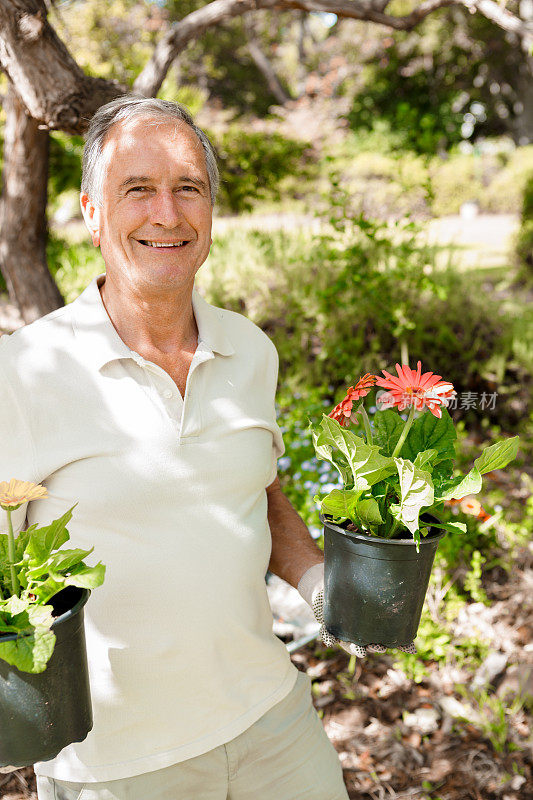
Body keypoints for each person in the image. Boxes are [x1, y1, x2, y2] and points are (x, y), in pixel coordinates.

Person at [0, 96, 351, 799]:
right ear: (92, 211)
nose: (167, 213)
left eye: (187, 187)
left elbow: (256, 492)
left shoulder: (249, 348)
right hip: (118, 762)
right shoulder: (26, 372)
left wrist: (326, 592)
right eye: (138, 190)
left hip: (271, 720)